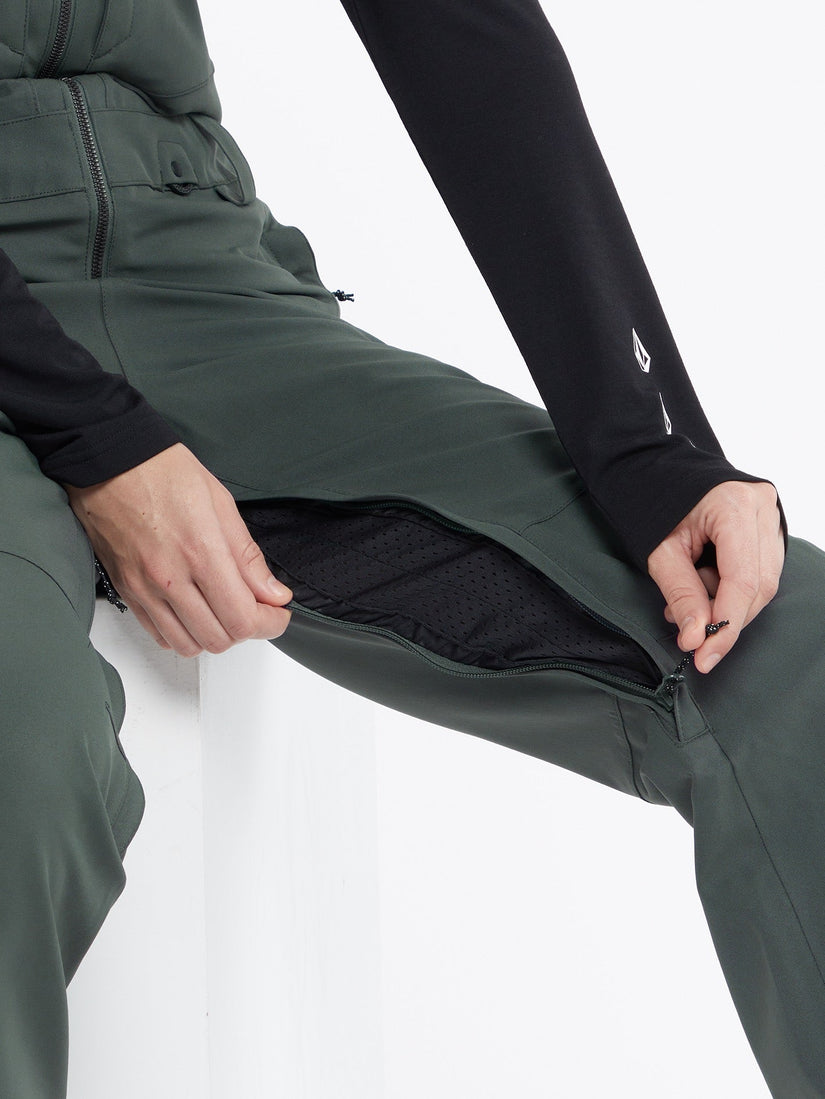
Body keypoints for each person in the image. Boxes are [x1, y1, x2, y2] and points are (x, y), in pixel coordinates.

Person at [0, 1, 814, 1096]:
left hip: (190, 259)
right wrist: (97, 438)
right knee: (17, 736)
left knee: (781, 648)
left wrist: (646, 446)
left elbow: (457, 24)